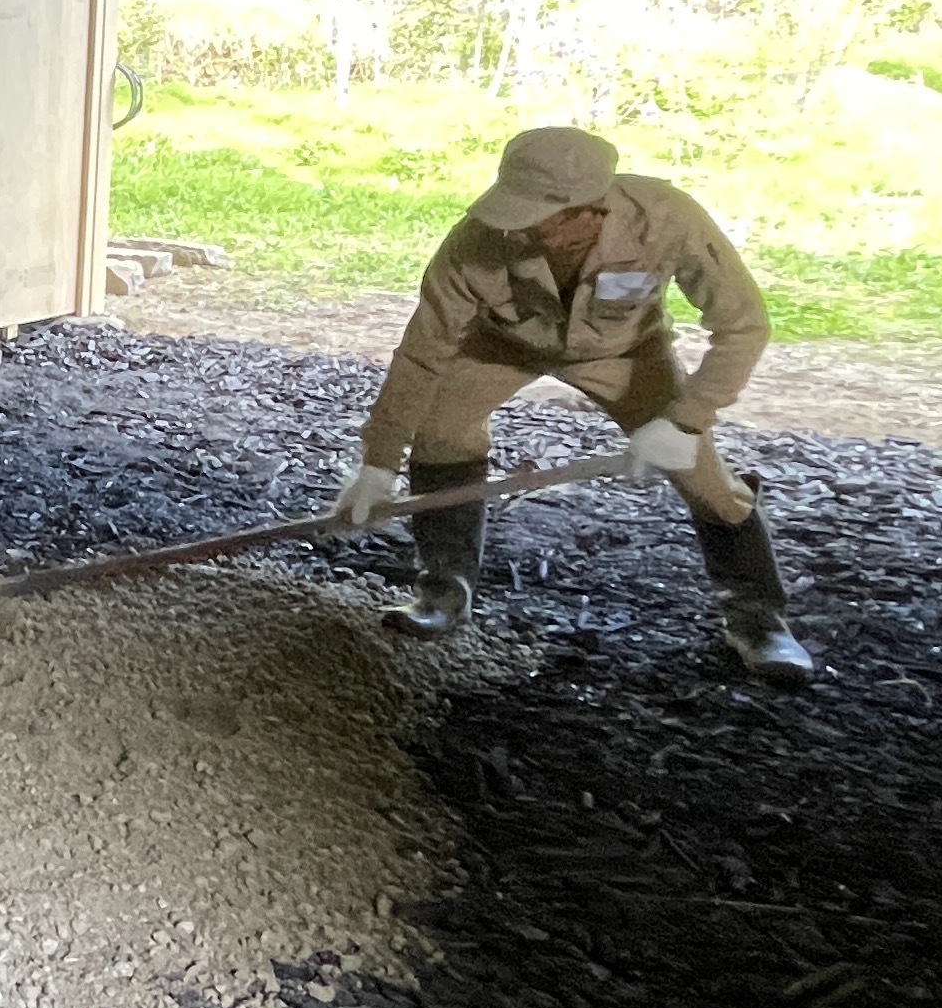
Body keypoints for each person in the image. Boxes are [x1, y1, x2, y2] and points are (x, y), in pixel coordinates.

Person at [328, 124, 814, 679]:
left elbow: (743, 326)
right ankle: (444, 591)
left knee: (706, 480)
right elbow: (421, 354)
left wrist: (684, 421)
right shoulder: (476, 241)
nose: (515, 229)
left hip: (628, 352)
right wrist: (378, 462)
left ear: (592, 211)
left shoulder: (667, 219)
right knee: (442, 432)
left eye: (537, 214)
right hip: (502, 344)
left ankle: (757, 617)